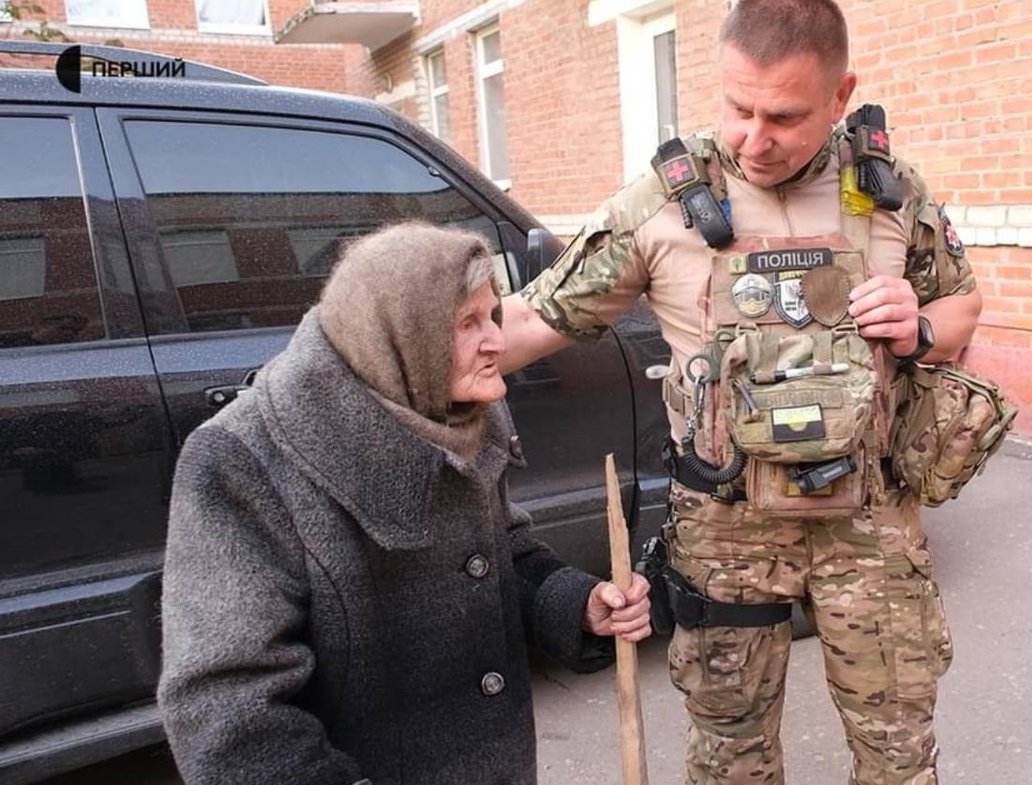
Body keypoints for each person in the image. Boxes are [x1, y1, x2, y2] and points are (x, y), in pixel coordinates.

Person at [499, 1, 982, 783]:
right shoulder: (662, 202)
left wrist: (919, 325)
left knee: (899, 749)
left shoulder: (886, 190)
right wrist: (380, 353)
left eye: (784, 116)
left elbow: (963, 304)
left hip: (869, 522)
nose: (754, 140)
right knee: (731, 756)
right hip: (726, 532)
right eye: (736, 108)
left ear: (839, 94)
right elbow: (529, 321)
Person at [157, 222, 652, 785]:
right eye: (467, 323)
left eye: (491, 314)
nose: (496, 339)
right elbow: (228, 712)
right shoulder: (243, 459)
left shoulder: (459, 411)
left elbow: (497, 557)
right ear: (400, 335)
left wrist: (577, 603)